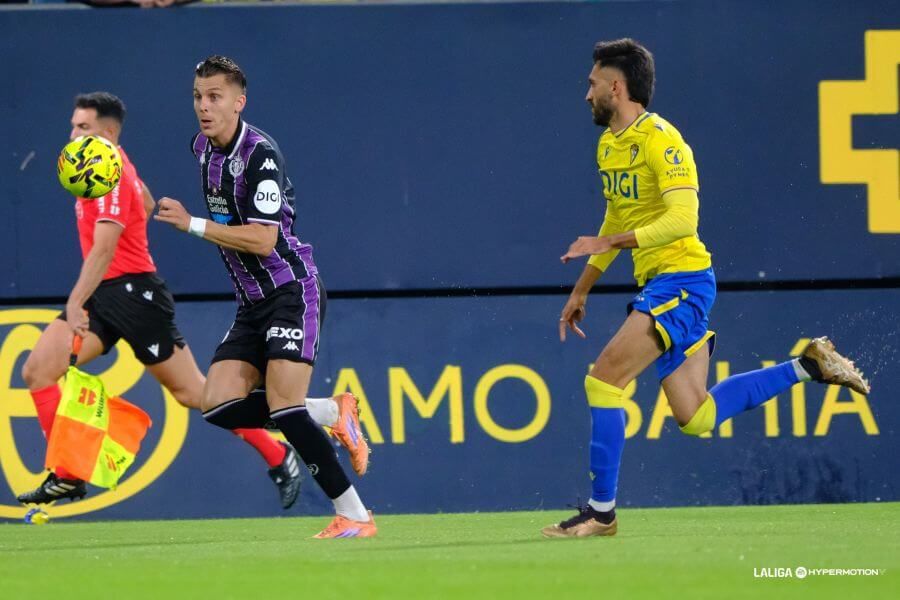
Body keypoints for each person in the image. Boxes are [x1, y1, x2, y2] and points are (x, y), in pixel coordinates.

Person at [543, 39, 870, 538]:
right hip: (662, 283)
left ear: (617, 85)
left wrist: (606, 240)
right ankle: (809, 364)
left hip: (683, 280)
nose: (586, 95)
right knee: (696, 417)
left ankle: (600, 513)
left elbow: (683, 219)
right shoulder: (609, 144)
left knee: (604, 380)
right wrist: (583, 287)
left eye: (592, 84)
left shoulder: (662, 140)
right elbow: (617, 216)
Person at [17, 92, 362, 510]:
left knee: (200, 396)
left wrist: (75, 302)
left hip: (133, 295)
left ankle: (291, 444)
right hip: (109, 295)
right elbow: (143, 203)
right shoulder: (112, 169)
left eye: (84, 127)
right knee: (39, 369)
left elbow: (105, 248)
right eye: (73, 126)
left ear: (108, 133)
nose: (73, 135)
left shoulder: (108, 170)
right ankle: (68, 475)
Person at [155, 56, 376, 538]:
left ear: (240, 102)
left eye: (214, 97)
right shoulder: (202, 148)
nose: (203, 107)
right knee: (215, 404)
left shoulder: (260, 155)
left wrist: (191, 223)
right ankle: (332, 411)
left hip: (290, 290)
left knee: (284, 408)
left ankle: (355, 517)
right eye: (197, 96)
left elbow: (263, 239)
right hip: (252, 302)